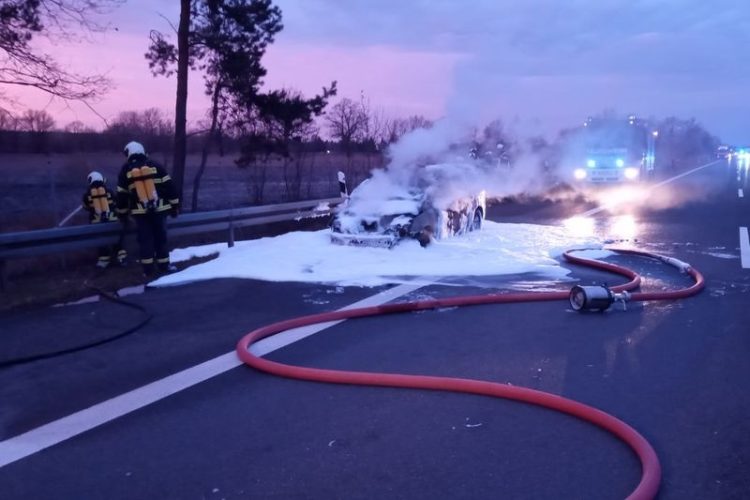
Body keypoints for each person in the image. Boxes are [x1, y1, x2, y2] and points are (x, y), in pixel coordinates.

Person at [115, 141, 180, 276]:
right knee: (160, 239)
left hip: (141, 213)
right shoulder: (156, 166)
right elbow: (170, 187)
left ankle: (148, 270)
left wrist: (122, 214)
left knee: (145, 240)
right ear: (143, 151)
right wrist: (175, 206)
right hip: (160, 210)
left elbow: (122, 195)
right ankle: (164, 266)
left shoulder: (125, 170)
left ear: (128, 153)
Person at [82, 171, 127, 268]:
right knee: (117, 240)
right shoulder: (109, 191)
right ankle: (122, 258)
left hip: (97, 222)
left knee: (101, 242)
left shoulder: (87, 194)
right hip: (112, 220)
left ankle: (103, 261)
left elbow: (86, 208)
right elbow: (116, 203)